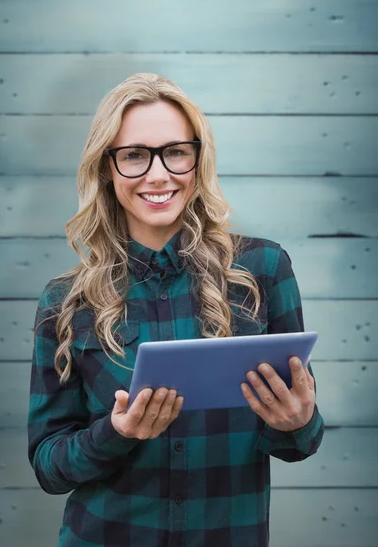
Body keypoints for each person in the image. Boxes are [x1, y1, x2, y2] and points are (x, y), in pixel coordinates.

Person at [28, 72, 324, 547]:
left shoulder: (264, 270)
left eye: (175, 152)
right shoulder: (64, 302)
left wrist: (298, 422)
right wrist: (115, 433)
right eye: (134, 156)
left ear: (196, 159)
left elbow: (302, 439)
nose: (158, 174)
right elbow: (48, 465)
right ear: (107, 168)